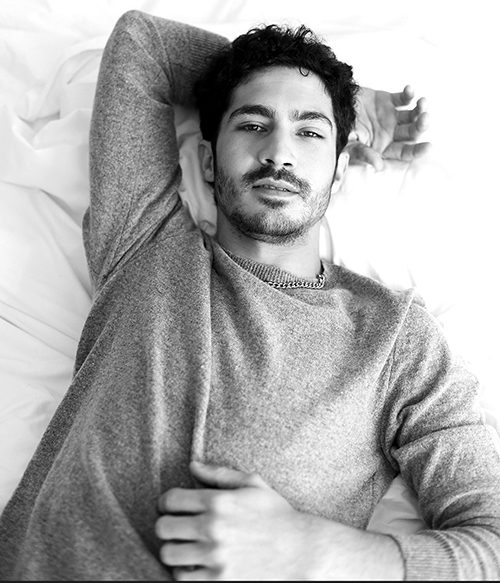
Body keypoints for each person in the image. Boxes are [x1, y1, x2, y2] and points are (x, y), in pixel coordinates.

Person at [0, 9, 499, 581]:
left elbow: (490, 544)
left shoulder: (395, 338)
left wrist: (313, 552)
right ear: (208, 161)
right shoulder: (144, 241)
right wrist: (350, 101)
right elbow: (143, 44)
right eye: (254, 124)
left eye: (310, 132)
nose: (279, 153)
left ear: (339, 172)